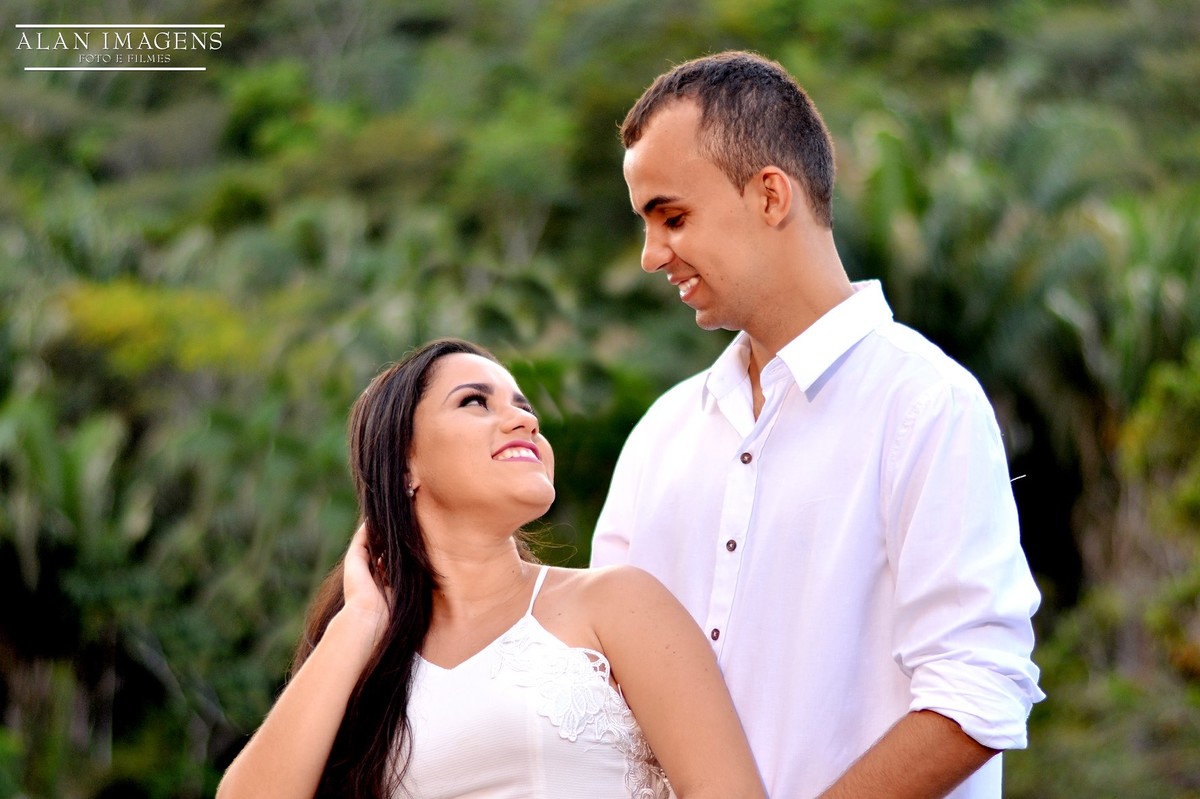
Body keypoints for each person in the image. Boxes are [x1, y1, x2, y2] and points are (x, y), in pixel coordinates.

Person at [590, 51, 1045, 799]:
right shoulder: (660, 434)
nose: (651, 255)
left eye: (672, 217)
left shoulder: (926, 405)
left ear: (771, 195)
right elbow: (599, 685)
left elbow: (978, 689)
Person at [217, 338, 765, 799]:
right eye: (476, 402)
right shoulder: (367, 660)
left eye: (523, 405)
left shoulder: (618, 602)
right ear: (406, 460)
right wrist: (358, 621)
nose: (522, 419)